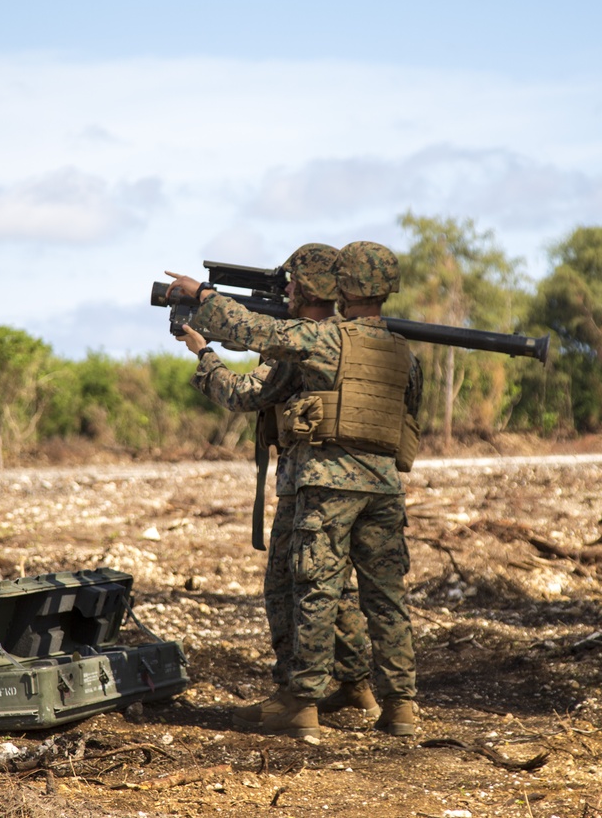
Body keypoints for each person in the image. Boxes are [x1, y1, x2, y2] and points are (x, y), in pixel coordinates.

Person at [166, 241, 422, 739]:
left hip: (327, 485)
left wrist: (203, 297)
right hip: (385, 489)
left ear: (343, 286)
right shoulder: (403, 352)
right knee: (386, 597)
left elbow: (255, 332)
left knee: (315, 590)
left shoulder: (327, 341)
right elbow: (408, 418)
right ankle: (401, 709)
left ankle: (301, 704)